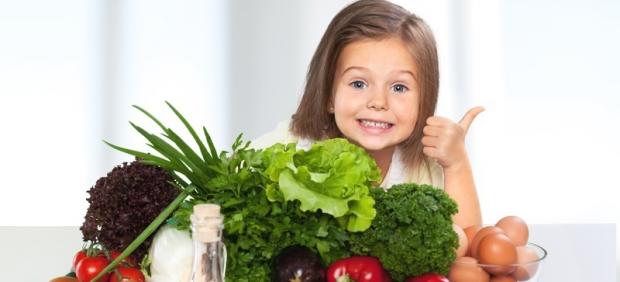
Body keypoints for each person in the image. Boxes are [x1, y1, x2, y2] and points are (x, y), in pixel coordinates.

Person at [252, 0, 483, 228]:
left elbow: (467, 243)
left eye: (399, 88)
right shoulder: (287, 148)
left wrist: (457, 164)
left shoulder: (423, 168)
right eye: (359, 84)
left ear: (424, 100)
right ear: (329, 96)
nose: (378, 102)